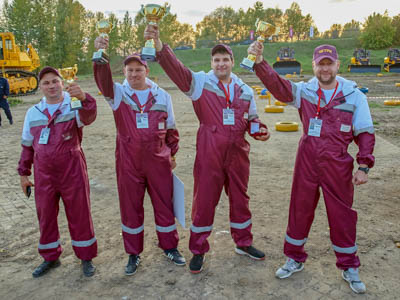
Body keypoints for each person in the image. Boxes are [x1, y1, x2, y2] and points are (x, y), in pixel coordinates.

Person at [248, 43, 375, 294]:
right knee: (299, 209)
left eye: (329, 63)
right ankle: (294, 257)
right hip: (307, 158)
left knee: (342, 215)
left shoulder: (354, 95)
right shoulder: (304, 91)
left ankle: (349, 265)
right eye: (320, 64)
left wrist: (364, 165)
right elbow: (277, 86)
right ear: (314, 66)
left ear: (337, 65)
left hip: (337, 162)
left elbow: (365, 132)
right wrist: (260, 62)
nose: (325, 68)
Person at [144, 25, 271, 274]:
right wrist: (159, 47)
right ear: (211, 62)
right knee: (204, 201)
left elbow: (253, 118)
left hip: (238, 152)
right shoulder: (200, 82)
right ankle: (199, 250)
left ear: (233, 62)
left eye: (225, 59)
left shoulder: (245, 90)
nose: (221, 64)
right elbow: (177, 70)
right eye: (216, 60)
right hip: (209, 151)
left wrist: (259, 128)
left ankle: (243, 243)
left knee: (240, 198)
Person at [93, 38, 185, 276]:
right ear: (124, 72)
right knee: (131, 207)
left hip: (158, 161)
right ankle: (133, 254)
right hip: (129, 162)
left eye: (138, 69)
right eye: (130, 70)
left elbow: (172, 130)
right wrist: (100, 54)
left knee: (164, 205)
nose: (134, 74)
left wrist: (172, 154)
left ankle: (170, 247)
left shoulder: (163, 96)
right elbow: (102, 81)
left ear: (147, 70)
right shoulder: (118, 94)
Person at [17, 67, 98, 278]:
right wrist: (24, 173)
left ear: (62, 83)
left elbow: (89, 117)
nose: (51, 86)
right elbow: (27, 146)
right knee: (46, 216)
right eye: (46, 83)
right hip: (44, 174)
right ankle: (50, 257)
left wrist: (85, 97)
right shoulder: (33, 112)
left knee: (79, 213)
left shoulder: (72, 106)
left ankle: (86, 257)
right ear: (40, 86)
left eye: (55, 81)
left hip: (72, 169)